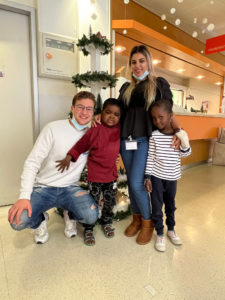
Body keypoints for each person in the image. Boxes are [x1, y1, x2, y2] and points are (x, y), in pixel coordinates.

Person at [8, 91, 99, 244]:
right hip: (44, 187)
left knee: (91, 216)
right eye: (80, 107)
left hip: (70, 188)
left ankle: (70, 215)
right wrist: (24, 196)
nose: (84, 112)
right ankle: (40, 220)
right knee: (17, 221)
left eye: (89, 109)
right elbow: (32, 162)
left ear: (94, 112)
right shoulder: (53, 128)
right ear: (72, 108)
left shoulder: (92, 134)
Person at [56, 98, 122, 246]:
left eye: (116, 114)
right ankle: (89, 228)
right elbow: (81, 145)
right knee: (93, 203)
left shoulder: (120, 129)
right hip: (95, 177)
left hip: (111, 176)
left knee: (109, 202)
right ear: (101, 113)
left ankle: (106, 222)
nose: (112, 117)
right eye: (108, 113)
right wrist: (69, 156)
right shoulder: (95, 129)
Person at [145, 99, 191, 252]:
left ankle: (171, 230)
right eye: (154, 118)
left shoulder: (178, 136)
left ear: (171, 115)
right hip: (157, 178)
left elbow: (187, 154)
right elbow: (151, 157)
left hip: (172, 179)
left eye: (161, 117)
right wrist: (148, 177)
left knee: (170, 205)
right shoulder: (154, 136)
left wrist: (184, 140)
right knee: (157, 207)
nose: (157, 121)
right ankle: (159, 233)